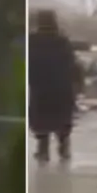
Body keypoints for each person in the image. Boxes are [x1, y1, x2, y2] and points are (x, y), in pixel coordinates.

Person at [28, 10, 82, 163]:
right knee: (62, 118)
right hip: (61, 86)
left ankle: (42, 149)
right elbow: (73, 64)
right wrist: (78, 83)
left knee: (41, 119)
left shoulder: (32, 41)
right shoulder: (62, 41)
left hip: (41, 87)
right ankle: (63, 147)